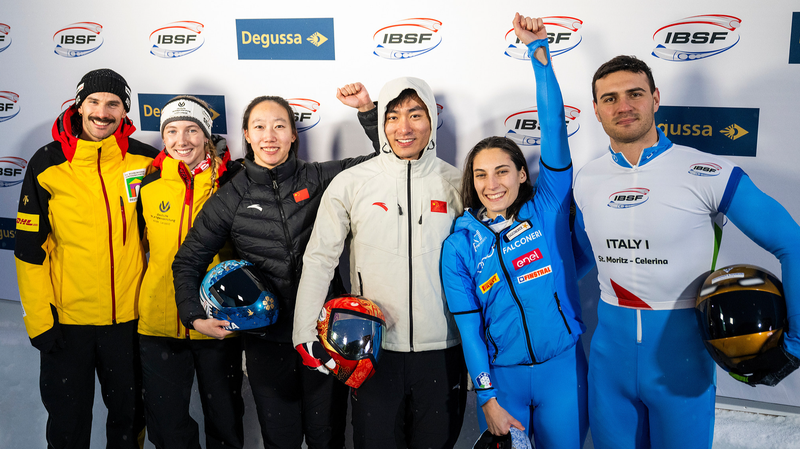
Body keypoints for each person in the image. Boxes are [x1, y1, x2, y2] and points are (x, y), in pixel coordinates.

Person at [566, 52, 800, 447]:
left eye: (634, 94)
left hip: (682, 367)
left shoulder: (709, 172)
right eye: (610, 98)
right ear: (596, 109)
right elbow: (582, 256)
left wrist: (795, 343)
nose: (623, 106)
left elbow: (791, 243)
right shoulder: (587, 178)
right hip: (609, 366)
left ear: (655, 98)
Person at [172, 87, 379, 449]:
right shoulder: (230, 197)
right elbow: (188, 260)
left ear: (293, 135)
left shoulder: (319, 178)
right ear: (247, 135)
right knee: (280, 440)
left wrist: (367, 111)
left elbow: (383, 161)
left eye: (279, 126)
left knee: (327, 437)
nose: (270, 136)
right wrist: (194, 317)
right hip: (267, 344)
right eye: (260, 127)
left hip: (323, 336)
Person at [293, 76, 468, 449]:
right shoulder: (352, 183)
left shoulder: (457, 184)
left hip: (443, 350)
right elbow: (320, 259)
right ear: (382, 123)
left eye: (415, 115)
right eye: (393, 116)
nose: (404, 128)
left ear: (432, 119)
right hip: (371, 351)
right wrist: (304, 332)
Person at [440, 15, 587, 449]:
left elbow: (554, 127)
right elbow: (469, 329)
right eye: (481, 175)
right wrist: (486, 397)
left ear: (523, 174)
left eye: (502, 171)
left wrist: (539, 55)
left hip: (563, 370)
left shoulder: (548, 206)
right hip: (504, 383)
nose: (492, 184)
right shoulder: (459, 245)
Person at [14, 68, 157, 448]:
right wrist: (39, 321)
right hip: (67, 323)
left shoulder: (145, 161)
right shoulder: (47, 163)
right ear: (79, 106)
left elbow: (165, 233)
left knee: (129, 420)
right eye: (94, 101)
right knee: (67, 425)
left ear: (124, 111)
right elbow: (28, 251)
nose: (102, 112)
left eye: (113, 104)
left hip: (128, 321)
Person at [136, 95, 245, 448]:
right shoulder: (149, 185)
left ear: (207, 135)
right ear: (163, 137)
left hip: (218, 323)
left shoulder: (232, 182)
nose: (181, 140)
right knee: (167, 429)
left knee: (225, 424)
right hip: (159, 324)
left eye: (192, 130)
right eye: (172, 131)